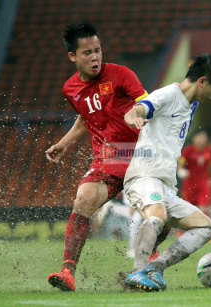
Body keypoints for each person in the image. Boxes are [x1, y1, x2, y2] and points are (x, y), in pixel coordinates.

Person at [45, 21, 150, 292]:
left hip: (140, 155)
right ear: (73, 56)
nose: (95, 57)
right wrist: (64, 143)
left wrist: (139, 114)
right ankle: (68, 272)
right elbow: (85, 117)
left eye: (98, 50)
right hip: (107, 158)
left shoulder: (121, 74)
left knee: (153, 213)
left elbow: (148, 104)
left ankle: (147, 270)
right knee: (82, 201)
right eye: (87, 52)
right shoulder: (70, 89)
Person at [122, 54, 211, 291]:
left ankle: (155, 267)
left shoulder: (192, 104)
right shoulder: (167, 95)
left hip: (166, 185)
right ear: (202, 82)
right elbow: (136, 110)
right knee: (156, 216)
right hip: (145, 176)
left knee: (205, 227)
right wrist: (134, 118)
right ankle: (137, 272)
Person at [178, 130, 211, 209]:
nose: (202, 140)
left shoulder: (209, 151)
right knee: (188, 206)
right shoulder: (188, 151)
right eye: (200, 137)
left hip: (203, 181)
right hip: (190, 182)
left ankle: (203, 220)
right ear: (195, 138)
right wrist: (180, 170)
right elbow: (181, 162)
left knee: (204, 205)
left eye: (204, 137)